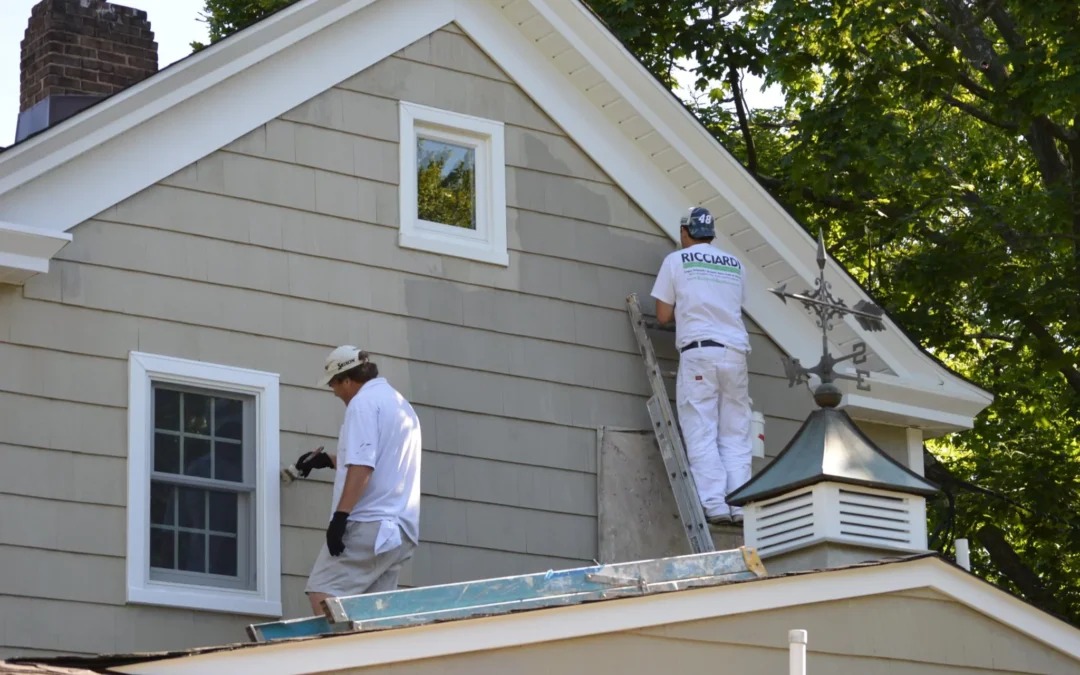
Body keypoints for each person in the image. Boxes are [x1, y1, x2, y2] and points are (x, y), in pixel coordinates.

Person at [293, 345, 422, 614]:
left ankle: (332, 656)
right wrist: (327, 460)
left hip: (370, 524)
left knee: (324, 595)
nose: (335, 392)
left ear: (347, 380)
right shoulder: (400, 406)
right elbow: (381, 459)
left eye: (334, 385)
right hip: (398, 532)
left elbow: (364, 466)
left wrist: (340, 517)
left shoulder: (362, 404)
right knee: (371, 614)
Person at [649, 207, 752, 526]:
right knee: (736, 432)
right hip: (735, 354)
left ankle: (715, 505)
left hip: (699, 352)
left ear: (684, 232)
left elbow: (664, 315)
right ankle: (740, 504)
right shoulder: (735, 264)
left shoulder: (676, 261)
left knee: (701, 428)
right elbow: (735, 307)